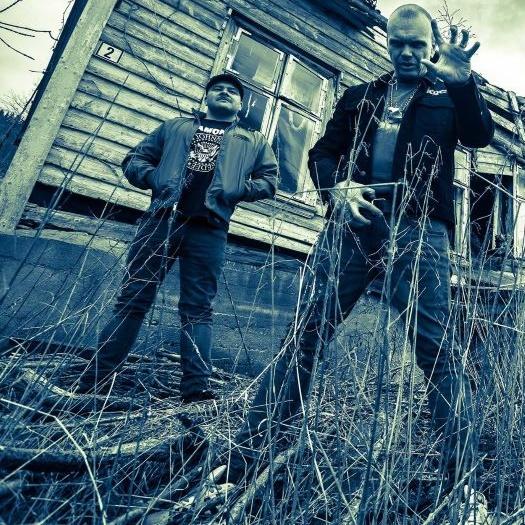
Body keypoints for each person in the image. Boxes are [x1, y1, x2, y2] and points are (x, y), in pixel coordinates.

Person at [224, 4, 494, 522]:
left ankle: (462, 485)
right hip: (354, 225)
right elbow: (321, 154)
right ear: (387, 43)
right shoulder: (361, 96)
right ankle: (244, 460)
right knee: (306, 333)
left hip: (419, 229)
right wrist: (338, 187)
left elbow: (480, 135)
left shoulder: (446, 94)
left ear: (431, 45)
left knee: (436, 349)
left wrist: (464, 84)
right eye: (399, 44)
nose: (408, 53)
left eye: (418, 44)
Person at [77, 73, 278, 403]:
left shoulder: (252, 140)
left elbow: (269, 180)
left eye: (232, 91)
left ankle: (196, 391)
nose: (224, 92)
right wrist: (155, 177)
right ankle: (95, 381)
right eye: (217, 89)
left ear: (240, 104)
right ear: (206, 97)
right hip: (160, 221)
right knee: (133, 298)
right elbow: (134, 159)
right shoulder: (175, 127)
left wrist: (238, 189)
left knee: (198, 308)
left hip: (210, 227)